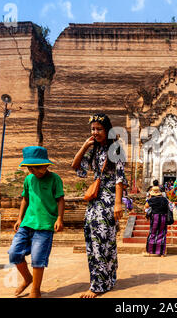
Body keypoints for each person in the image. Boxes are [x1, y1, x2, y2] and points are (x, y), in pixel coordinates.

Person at [72, 113, 128, 298]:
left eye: (99, 129)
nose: (95, 132)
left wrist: (118, 204)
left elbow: (120, 178)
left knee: (103, 240)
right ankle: (105, 280)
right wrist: (85, 145)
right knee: (92, 238)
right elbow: (76, 167)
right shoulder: (94, 150)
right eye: (93, 129)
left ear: (107, 130)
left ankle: (98, 286)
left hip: (109, 200)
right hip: (95, 200)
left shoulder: (116, 148)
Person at [8, 146, 65, 298]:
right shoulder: (28, 179)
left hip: (45, 225)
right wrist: (19, 218)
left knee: (38, 259)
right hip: (27, 223)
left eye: (38, 168)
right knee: (14, 253)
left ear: (46, 165)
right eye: (31, 169)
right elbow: (25, 199)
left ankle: (35, 290)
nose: (35, 172)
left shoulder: (55, 179)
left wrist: (59, 218)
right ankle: (27, 278)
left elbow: (60, 199)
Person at [144, 186, 169, 257]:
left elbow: (146, 206)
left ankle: (150, 251)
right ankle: (161, 252)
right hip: (163, 217)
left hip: (155, 217)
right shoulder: (164, 199)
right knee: (162, 233)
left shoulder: (152, 200)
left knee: (153, 233)